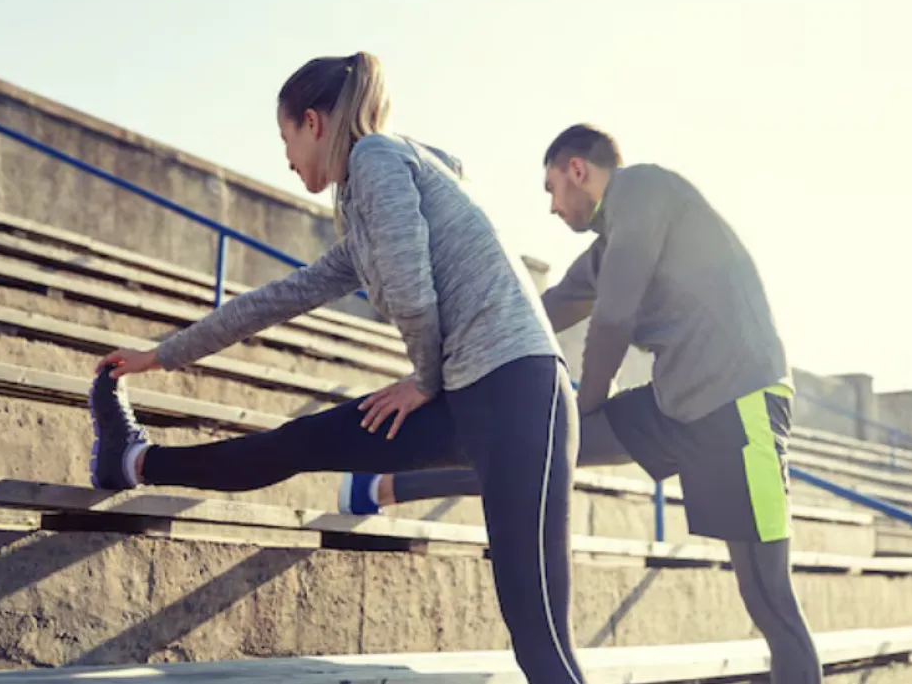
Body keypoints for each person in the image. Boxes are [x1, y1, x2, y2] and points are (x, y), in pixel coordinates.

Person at [88, 52, 588, 684]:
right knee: (299, 442)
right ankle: (130, 460)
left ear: (314, 122)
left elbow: (412, 291)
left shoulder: (377, 159)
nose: (287, 157)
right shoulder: (363, 213)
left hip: (519, 396)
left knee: (539, 638)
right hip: (469, 396)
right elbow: (278, 298)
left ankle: (132, 460)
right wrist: (160, 355)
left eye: (285, 137)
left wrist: (423, 381)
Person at [341, 124, 824, 684]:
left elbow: (614, 317)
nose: (551, 207)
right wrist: (437, 369)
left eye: (551, 188)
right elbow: (537, 310)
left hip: (739, 403)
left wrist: (586, 405)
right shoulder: (606, 253)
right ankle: (384, 486)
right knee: (529, 449)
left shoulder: (643, 189)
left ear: (578, 170)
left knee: (769, 600)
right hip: (677, 406)